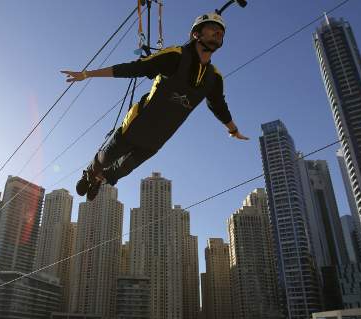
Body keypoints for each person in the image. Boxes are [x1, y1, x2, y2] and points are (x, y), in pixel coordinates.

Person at [62, 12, 248, 201]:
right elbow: (134, 68)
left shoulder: (214, 78)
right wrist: (87, 74)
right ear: (196, 34)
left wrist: (233, 130)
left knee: (118, 172)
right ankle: (90, 173)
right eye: (212, 29)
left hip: (157, 139)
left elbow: (218, 105)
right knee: (104, 159)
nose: (218, 33)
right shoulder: (175, 56)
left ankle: (100, 180)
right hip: (136, 125)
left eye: (221, 32)